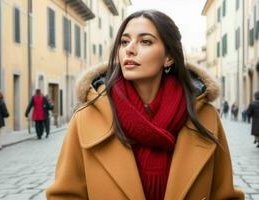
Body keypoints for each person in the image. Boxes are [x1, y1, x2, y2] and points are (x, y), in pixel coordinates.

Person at [46, 10, 244, 200]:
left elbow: (224, 194)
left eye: (145, 41)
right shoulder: (86, 117)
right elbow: (65, 195)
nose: (129, 49)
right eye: (124, 42)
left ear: (169, 58)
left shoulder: (206, 116)